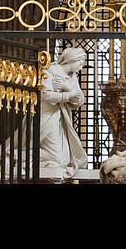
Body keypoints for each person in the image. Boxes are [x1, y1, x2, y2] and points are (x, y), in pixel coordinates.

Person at [39, 48, 89, 181]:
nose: (82, 66)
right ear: (73, 60)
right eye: (81, 62)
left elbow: (79, 100)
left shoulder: (72, 76)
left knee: (64, 158)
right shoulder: (49, 71)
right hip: (48, 116)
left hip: (62, 118)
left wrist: (66, 87)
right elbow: (46, 95)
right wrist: (68, 95)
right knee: (56, 156)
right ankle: (18, 155)